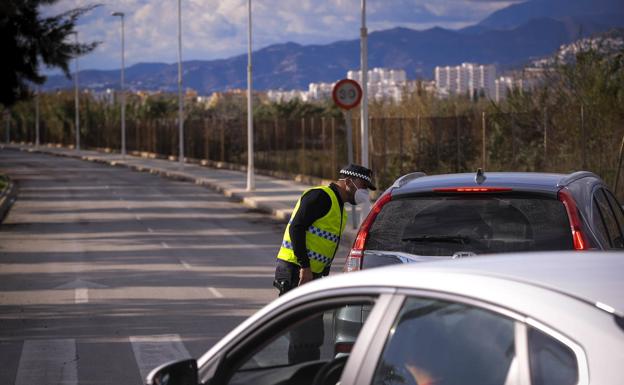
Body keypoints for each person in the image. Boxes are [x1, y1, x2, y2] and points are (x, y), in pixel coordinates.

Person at [273, 164, 376, 364]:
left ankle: (308, 375)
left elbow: (324, 247)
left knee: (312, 336)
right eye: (362, 186)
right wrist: (305, 267)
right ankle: (300, 378)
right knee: (303, 337)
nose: (363, 192)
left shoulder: (339, 208)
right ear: (348, 182)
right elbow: (296, 228)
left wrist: (322, 277)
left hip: (311, 275)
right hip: (296, 272)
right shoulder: (320, 197)